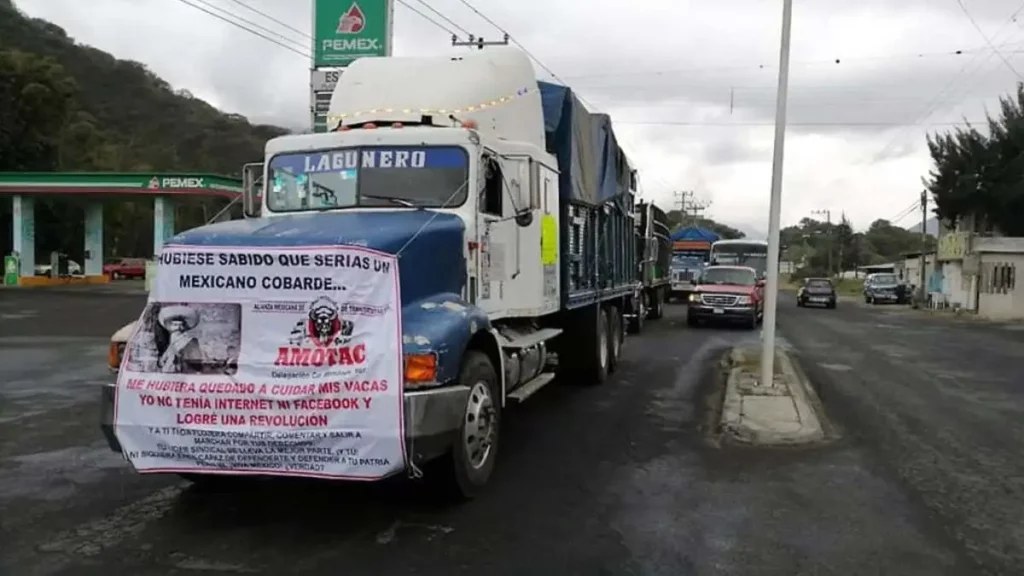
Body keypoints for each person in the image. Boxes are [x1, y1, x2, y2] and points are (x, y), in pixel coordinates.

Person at [156, 304, 205, 374]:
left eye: (180, 325)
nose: (178, 327)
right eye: (174, 324)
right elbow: (161, 364)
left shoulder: (190, 341)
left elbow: (197, 366)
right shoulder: (168, 343)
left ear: (184, 327)